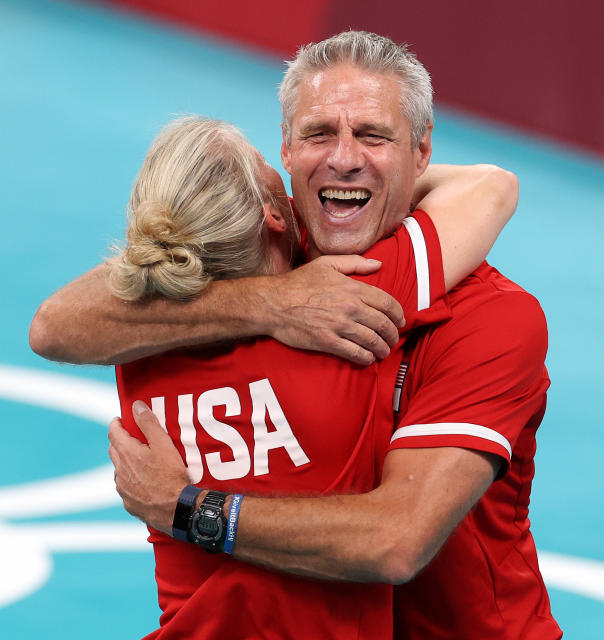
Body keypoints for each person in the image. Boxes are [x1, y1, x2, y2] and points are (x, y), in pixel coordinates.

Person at [31, 30, 561, 639]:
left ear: (421, 154)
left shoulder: (492, 318)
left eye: (372, 135)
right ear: (283, 162)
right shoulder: (263, 262)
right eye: (317, 135)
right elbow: (492, 185)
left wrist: (188, 510)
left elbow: (396, 538)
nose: (341, 158)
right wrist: (270, 302)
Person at [105, 113, 511, 638]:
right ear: (274, 216)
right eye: (267, 165)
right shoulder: (354, 316)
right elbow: (491, 186)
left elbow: (59, 324)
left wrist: (181, 506)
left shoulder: (133, 344)